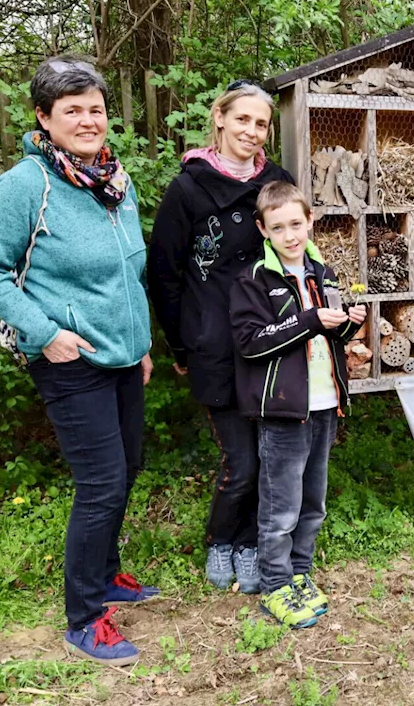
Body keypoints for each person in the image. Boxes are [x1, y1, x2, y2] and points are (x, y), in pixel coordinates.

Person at [0, 56, 157, 665]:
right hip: (70, 358)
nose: (87, 119)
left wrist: (143, 341)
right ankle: (83, 617)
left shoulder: (115, 182)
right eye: (71, 110)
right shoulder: (27, 184)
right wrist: (46, 333)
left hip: (124, 353)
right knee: (101, 484)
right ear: (43, 119)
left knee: (127, 467)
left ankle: (105, 577)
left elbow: (130, 270)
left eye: (95, 108)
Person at [148, 80, 295, 593]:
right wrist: (181, 344)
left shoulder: (276, 183)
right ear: (220, 118)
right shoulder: (189, 188)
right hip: (213, 343)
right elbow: (163, 274)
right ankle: (221, 541)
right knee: (243, 460)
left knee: (272, 454)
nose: (251, 132)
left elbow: (297, 253)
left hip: (272, 342)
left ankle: (252, 545)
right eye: (242, 120)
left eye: (261, 124)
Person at [229, 181, 366, 627]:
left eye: (296, 223)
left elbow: (331, 335)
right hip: (282, 410)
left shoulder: (321, 273)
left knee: (313, 501)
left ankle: (300, 575)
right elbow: (251, 343)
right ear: (263, 230)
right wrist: (309, 320)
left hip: (324, 403)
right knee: (280, 505)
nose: (290, 235)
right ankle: (274, 585)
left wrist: (348, 326)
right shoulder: (253, 280)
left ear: (311, 221)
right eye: (278, 227)